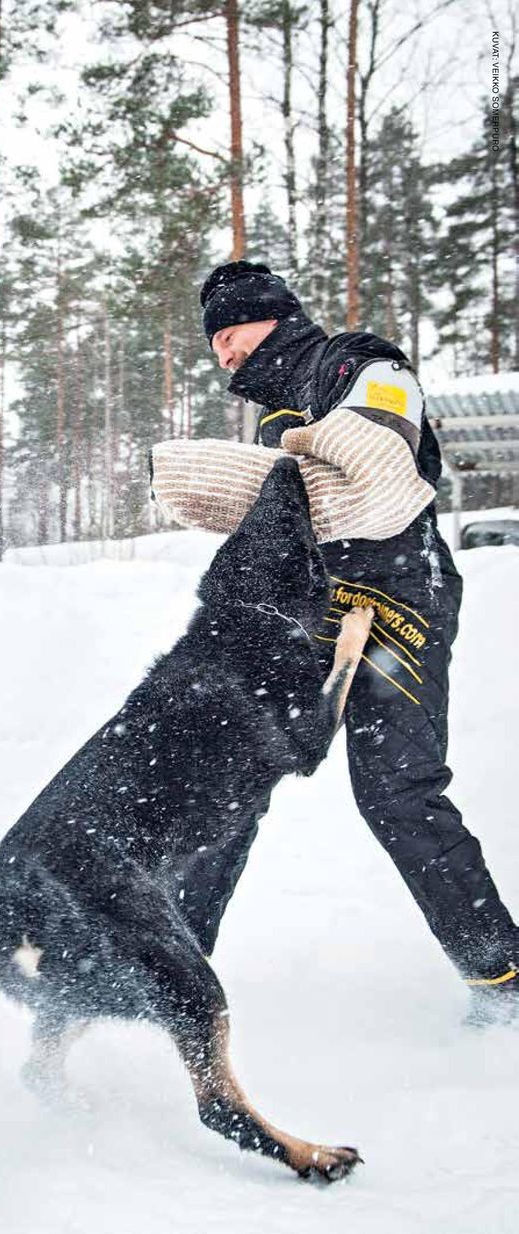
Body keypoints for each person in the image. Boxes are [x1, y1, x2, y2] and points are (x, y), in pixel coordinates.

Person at [174, 259, 519, 1022]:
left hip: (399, 599)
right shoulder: (274, 415)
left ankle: (504, 980)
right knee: (229, 777)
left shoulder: (360, 363)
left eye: (233, 333)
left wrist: (264, 484)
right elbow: (283, 518)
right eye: (215, 344)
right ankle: (167, 966)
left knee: (397, 792)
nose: (225, 354)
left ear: (275, 317)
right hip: (311, 608)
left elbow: (379, 475)